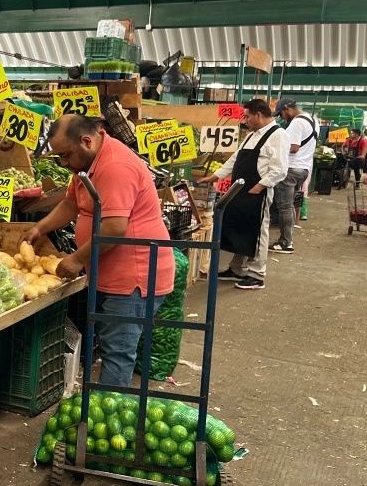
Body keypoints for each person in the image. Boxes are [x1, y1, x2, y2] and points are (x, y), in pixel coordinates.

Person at [23, 114, 174, 388]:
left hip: (134, 277)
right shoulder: (88, 165)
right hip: (112, 273)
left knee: (117, 352)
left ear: (86, 141)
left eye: (66, 155)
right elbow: (71, 204)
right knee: (111, 346)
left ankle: (109, 418)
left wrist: (77, 259)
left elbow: (115, 228)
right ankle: (103, 409)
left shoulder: (115, 166)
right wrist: (39, 228)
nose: (64, 163)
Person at [197, 99, 288, 289]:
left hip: (258, 191)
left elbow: (280, 169)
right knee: (241, 227)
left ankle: (257, 274)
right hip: (240, 189)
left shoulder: (278, 135)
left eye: (247, 116)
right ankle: (237, 269)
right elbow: (235, 159)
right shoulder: (251, 135)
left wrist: (260, 186)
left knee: (258, 230)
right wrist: (215, 176)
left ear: (259, 115)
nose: (245, 120)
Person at [268, 98, 317, 253]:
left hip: (291, 169)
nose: (282, 118)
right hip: (303, 169)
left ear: (287, 109)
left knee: (284, 207)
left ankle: (285, 242)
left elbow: (294, 148)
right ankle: (286, 240)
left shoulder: (297, 122)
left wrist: (274, 149)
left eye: (281, 114)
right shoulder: (311, 119)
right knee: (288, 206)